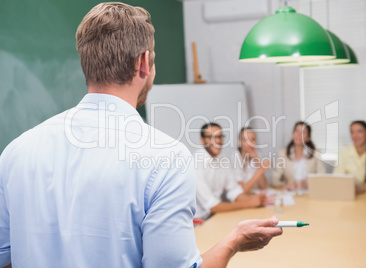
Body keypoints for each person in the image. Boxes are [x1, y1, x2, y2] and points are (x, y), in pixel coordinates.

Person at [0, 3, 282, 268]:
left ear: (86, 63)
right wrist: (233, 241)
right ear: (144, 63)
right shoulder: (166, 158)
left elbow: (5, 256)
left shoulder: (16, 151)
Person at [194, 123, 269, 220]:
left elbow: (234, 191)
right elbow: (211, 206)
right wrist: (249, 202)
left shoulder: (222, 160)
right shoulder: (196, 163)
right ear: (202, 140)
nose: (217, 141)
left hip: (216, 216)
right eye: (211, 137)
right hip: (199, 220)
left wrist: (256, 200)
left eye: (219, 136)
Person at [333, 120, 366, 194]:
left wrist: (360, 190)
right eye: (352, 132)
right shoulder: (344, 151)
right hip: (349, 193)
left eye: (359, 131)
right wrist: (349, 186)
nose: (355, 136)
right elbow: (338, 175)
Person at [271, 121, 326, 190]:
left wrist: (309, 183)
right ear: (293, 134)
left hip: (309, 192)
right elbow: (274, 180)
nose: (298, 135)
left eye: (303, 132)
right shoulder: (282, 153)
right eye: (296, 131)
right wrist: (285, 185)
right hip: (290, 192)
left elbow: (322, 176)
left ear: (308, 138)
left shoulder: (316, 153)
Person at [232, 127, 269, 194]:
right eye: (246, 140)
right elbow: (241, 191)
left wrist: (257, 161)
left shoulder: (256, 154)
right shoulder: (236, 156)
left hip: (252, 194)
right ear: (240, 142)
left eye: (253, 139)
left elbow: (263, 186)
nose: (250, 143)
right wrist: (261, 170)